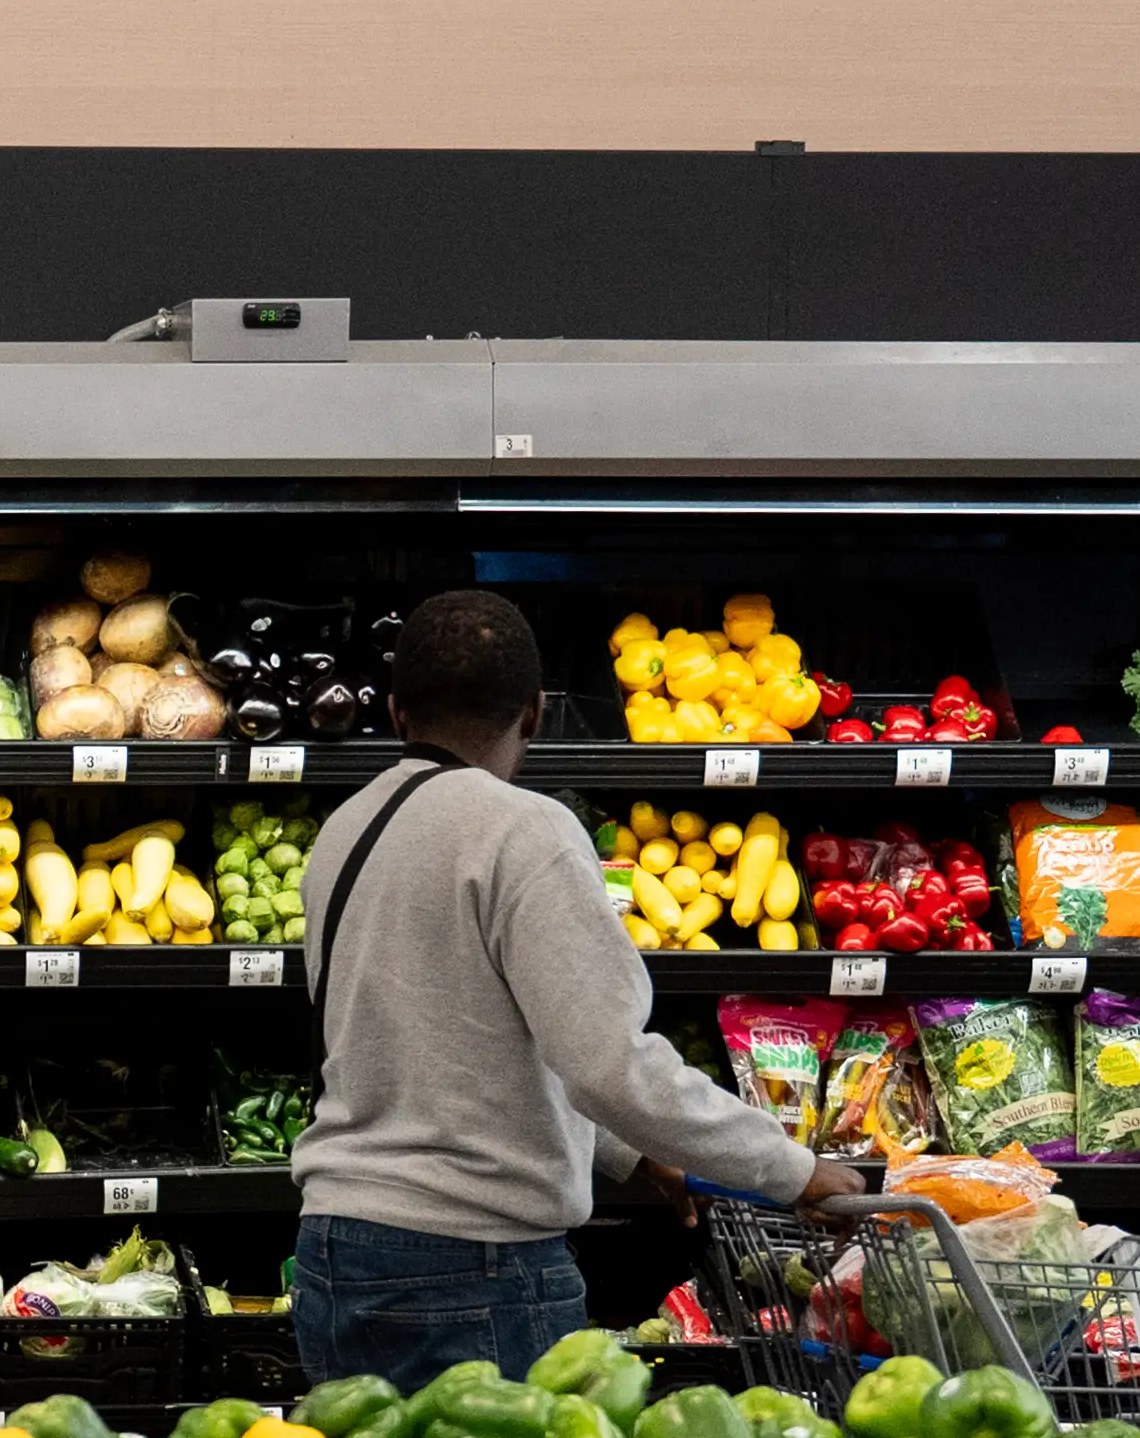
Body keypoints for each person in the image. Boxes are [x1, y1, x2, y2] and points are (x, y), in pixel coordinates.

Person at [292, 587, 847, 1390]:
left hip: (336, 1253)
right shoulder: (527, 829)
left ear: (394, 712)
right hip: (472, 1266)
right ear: (534, 713)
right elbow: (605, 1060)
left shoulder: (341, 831)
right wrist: (789, 1169)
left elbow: (434, 1028)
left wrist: (623, 1148)